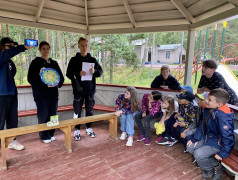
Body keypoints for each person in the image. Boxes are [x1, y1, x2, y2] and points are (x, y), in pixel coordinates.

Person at [187, 88, 235, 180]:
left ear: (219, 104)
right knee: (190, 147)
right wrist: (196, 138)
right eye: (207, 99)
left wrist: (224, 153)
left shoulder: (223, 116)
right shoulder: (208, 109)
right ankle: (216, 165)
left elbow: (228, 137)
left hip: (218, 142)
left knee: (198, 154)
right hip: (208, 137)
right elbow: (202, 124)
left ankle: (210, 169)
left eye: (209, 100)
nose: (206, 101)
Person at [66, 37, 103, 140]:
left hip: (90, 90)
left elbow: (100, 72)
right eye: (82, 45)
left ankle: (88, 128)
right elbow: (68, 74)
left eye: (86, 45)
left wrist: (94, 72)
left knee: (89, 110)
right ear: (78, 46)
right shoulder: (74, 60)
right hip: (78, 90)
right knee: (77, 110)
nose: (84, 47)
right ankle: (77, 130)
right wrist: (78, 73)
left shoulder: (92, 60)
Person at [0, 37, 33, 150]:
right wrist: (22, 47)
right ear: (2, 46)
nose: (12, 49)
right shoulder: (1, 56)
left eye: (13, 47)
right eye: (9, 46)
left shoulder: (8, 60)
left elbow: (12, 73)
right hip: (1, 94)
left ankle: (12, 141)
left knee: (12, 119)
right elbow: (6, 54)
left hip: (12, 93)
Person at [28, 41, 64, 143]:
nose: (46, 50)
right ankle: (44, 135)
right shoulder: (36, 62)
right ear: (40, 50)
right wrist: (43, 84)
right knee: (43, 115)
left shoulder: (54, 63)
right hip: (41, 95)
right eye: (43, 48)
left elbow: (60, 78)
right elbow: (30, 78)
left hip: (53, 94)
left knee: (53, 114)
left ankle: (51, 133)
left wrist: (56, 84)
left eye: (47, 48)